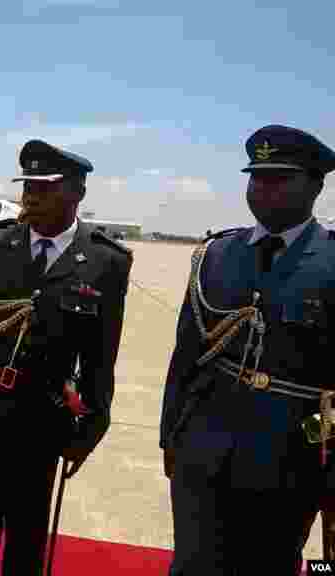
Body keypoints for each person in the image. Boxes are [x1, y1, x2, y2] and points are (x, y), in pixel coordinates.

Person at [0, 140, 132, 574]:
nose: (31, 197)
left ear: (77, 193)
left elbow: (102, 355)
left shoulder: (106, 260)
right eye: (28, 186)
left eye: (45, 188)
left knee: (26, 539)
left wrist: (92, 426)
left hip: (43, 419)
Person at [161, 125, 335, 575]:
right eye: (256, 177)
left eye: (280, 178)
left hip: (288, 460)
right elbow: (186, 356)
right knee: (192, 566)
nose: (263, 188)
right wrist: (171, 435)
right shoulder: (217, 254)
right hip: (202, 449)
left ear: (316, 184)